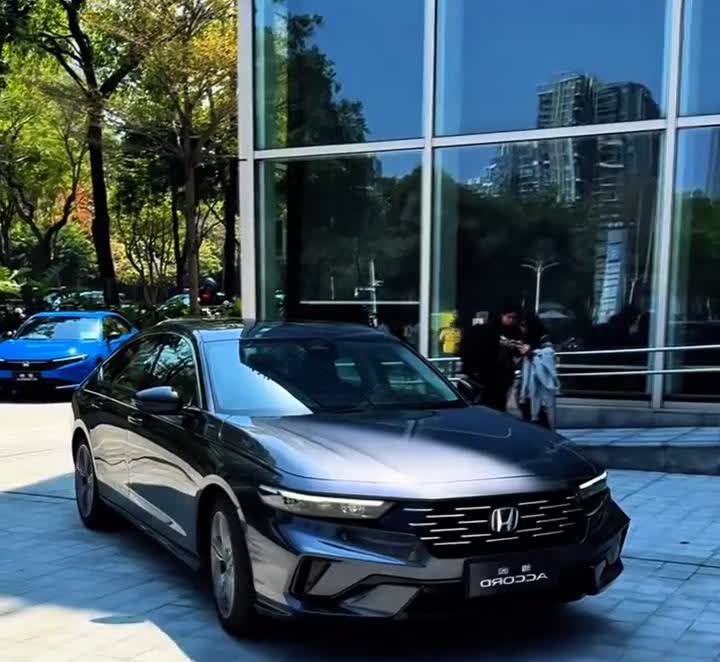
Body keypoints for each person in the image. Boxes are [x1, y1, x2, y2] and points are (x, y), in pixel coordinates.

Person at [459, 302, 526, 412]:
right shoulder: (490, 332)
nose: (512, 320)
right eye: (509, 317)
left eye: (514, 318)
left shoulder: (512, 332)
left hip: (497, 376)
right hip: (491, 376)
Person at [517, 311, 558, 429]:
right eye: (520, 325)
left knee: (542, 423)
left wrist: (530, 354)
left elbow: (547, 359)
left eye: (524, 325)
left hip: (540, 393)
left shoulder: (543, 339)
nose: (522, 329)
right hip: (527, 391)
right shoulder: (527, 339)